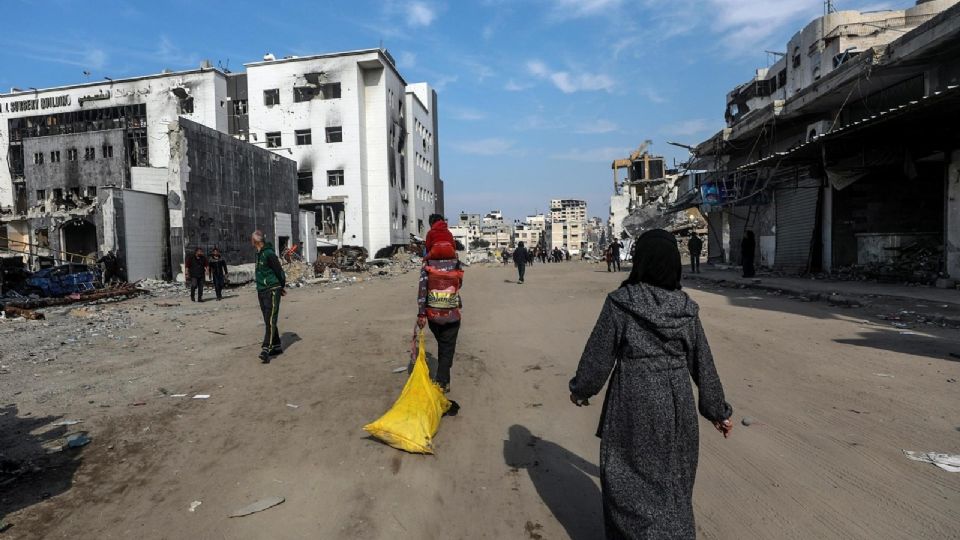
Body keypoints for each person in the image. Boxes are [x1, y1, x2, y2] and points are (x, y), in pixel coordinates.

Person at [569, 228, 733, 539]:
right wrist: (718, 412)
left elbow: (598, 354)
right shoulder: (686, 308)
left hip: (632, 400)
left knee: (626, 475)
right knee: (674, 479)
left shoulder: (621, 302)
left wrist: (581, 389)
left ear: (640, 261)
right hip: (676, 403)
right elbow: (703, 364)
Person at [417, 241, 464, 394]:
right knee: (447, 347)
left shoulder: (427, 264)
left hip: (433, 315)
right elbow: (460, 284)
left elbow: (423, 289)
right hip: (452, 314)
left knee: (443, 346)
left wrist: (421, 313)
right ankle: (442, 382)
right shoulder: (456, 262)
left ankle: (444, 380)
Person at [252, 230, 286, 363]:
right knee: (268, 319)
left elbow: (279, 271)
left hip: (272, 289)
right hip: (261, 290)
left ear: (255, 241)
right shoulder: (258, 254)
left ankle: (266, 348)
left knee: (271, 318)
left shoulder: (269, 254)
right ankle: (277, 346)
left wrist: (281, 287)